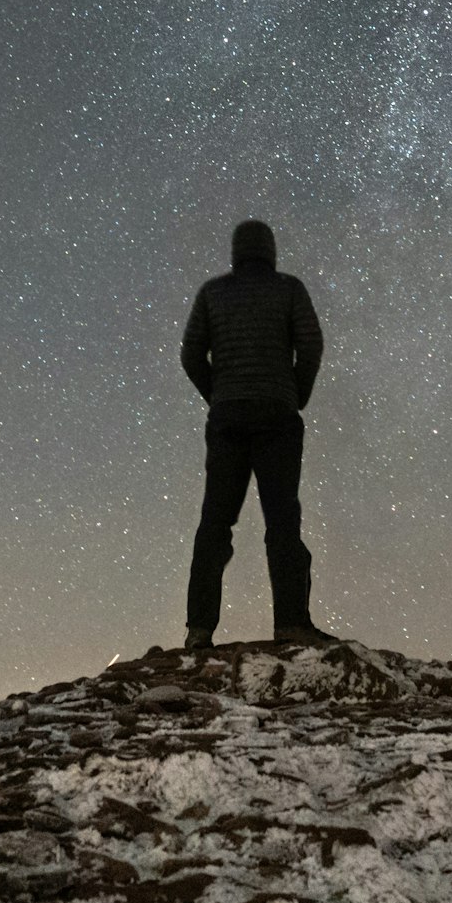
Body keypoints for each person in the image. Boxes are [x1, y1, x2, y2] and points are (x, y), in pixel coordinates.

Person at [178, 218, 335, 649]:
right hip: (277, 416)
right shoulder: (289, 289)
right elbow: (312, 343)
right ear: (270, 251)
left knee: (215, 523)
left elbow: (190, 353)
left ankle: (198, 630)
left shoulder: (213, 293)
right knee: (282, 522)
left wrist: (219, 393)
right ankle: (290, 625)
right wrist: (294, 392)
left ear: (236, 252)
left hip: (228, 419)